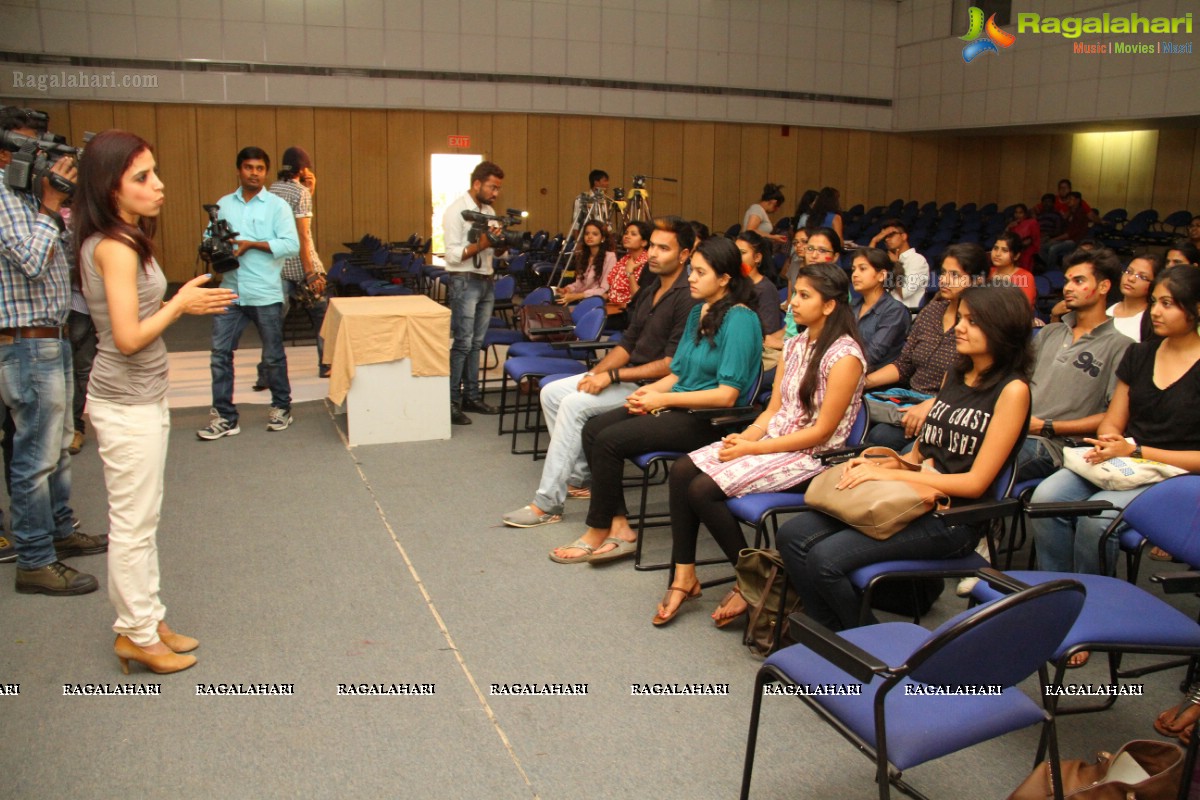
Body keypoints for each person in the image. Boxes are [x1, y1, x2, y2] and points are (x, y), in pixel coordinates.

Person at [777, 285, 1033, 631]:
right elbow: (919, 452)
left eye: (972, 321)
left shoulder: (1012, 391)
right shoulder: (956, 373)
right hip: (910, 497)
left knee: (826, 559)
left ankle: (867, 646)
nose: (958, 327)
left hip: (952, 517)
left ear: (1002, 329)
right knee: (792, 535)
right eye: (960, 318)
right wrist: (879, 464)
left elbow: (975, 484)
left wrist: (891, 477)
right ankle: (828, 633)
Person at [75, 130, 236, 673]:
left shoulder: (118, 239)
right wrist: (180, 304)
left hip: (137, 396)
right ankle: (138, 634)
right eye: (142, 176)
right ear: (109, 186)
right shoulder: (115, 245)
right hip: (125, 401)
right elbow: (126, 337)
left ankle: (146, 619)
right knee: (133, 526)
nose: (158, 185)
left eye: (155, 172)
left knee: (142, 521)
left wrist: (175, 303)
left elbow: (133, 322)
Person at [653, 263, 867, 626]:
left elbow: (820, 433)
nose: (791, 304)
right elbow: (774, 409)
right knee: (683, 470)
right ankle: (684, 574)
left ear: (830, 305)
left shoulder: (845, 357)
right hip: (774, 442)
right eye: (793, 294)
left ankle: (750, 580)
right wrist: (747, 436)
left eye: (803, 296)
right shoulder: (796, 343)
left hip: (813, 457)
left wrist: (752, 449)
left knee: (703, 489)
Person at [548, 236, 762, 564]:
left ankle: (596, 529)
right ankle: (619, 525)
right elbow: (679, 372)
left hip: (709, 418)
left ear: (724, 279)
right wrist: (649, 392)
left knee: (608, 440)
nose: (690, 277)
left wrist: (663, 400)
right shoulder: (699, 311)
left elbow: (727, 394)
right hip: (680, 405)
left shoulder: (741, 319)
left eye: (700, 272)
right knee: (593, 428)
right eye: (692, 270)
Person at [501, 216, 697, 528]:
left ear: (684, 255)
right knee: (552, 393)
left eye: (664, 248)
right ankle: (580, 478)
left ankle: (547, 503)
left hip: (655, 389)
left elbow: (672, 364)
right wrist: (598, 373)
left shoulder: (689, 298)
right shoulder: (650, 290)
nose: (655, 254)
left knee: (573, 405)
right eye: (654, 247)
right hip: (629, 376)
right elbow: (627, 345)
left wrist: (612, 377)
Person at [1030, 266, 1200, 578]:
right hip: (1124, 458)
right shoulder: (1140, 353)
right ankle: (1054, 588)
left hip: (1173, 474)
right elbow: (1112, 421)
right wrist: (1110, 441)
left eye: (1168, 304)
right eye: (1155, 302)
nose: (1157, 312)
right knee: (1045, 498)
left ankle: (1092, 598)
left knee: (1095, 518)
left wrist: (1134, 451)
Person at [1, 105, 107, 595]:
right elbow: (28, 260)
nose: (44, 157)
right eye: (31, 146)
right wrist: (49, 208)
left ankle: (60, 533)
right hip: (24, 344)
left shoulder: (28, 198)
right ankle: (35, 560)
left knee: (59, 449)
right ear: (5, 152)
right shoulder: (6, 199)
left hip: (52, 335)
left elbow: (60, 264)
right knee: (34, 457)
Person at [196, 146, 299, 440]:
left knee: (273, 356)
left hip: (265, 291)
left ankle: (282, 407)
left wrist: (252, 244)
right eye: (248, 168)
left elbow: (291, 245)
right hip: (230, 291)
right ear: (239, 170)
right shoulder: (224, 204)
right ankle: (225, 417)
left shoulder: (276, 206)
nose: (254, 173)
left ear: (265, 172)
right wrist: (211, 246)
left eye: (259, 168)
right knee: (219, 355)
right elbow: (209, 236)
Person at [863, 243, 990, 451]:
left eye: (955, 275)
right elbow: (904, 365)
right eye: (943, 273)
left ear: (978, 280)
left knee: (881, 436)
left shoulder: (983, 324)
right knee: (857, 415)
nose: (944, 280)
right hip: (909, 399)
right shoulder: (932, 311)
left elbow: (979, 383)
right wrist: (863, 382)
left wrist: (935, 405)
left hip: (952, 407)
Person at [1020, 247, 1132, 482]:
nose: (1068, 287)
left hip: (1058, 447)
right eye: (1067, 280)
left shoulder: (1122, 346)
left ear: (1103, 287)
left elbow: (1113, 417)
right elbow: (1018, 382)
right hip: (1017, 433)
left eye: (1078, 280)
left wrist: (1048, 426)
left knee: (980, 460)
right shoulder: (1050, 332)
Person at [443, 160, 505, 426]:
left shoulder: (489, 211)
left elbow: (494, 251)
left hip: (486, 280)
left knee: (477, 343)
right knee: (463, 343)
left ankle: (471, 396)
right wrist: (481, 244)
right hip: (464, 281)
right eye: (492, 187)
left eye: (498, 188)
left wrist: (499, 244)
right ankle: (451, 402)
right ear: (477, 183)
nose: (495, 193)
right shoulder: (456, 211)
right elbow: (453, 255)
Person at [264, 146, 328, 381]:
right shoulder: (300, 193)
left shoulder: (272, 190)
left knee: (274, 320)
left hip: (278, 266)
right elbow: (302, 234)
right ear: (302, 168)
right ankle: (326, 364)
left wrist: (309, 191)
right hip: (301, 267)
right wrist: (311, 272)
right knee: (321, 314)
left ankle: (266, 373)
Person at [849, 247, 911, 372]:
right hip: (848, 370)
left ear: (882, 275)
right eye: (853, 269)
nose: (855, 274)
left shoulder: (894, 310)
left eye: (862, 268)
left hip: (877, 382)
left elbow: (874, 354)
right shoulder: (853, 305)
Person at [783, 227, 841, 340]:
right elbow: (788, 329)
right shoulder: (802, 283)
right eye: (810, 248)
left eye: (822, 250)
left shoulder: (836, 289)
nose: (814, 255)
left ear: (835, 257)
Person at [735, 230, 784, 356]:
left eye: (742, 253)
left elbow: (769, 333)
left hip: (752, 351)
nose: (736, 258)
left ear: (757, 257)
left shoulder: (766, 289)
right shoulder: (731, 283)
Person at [869, 219, 929, 309]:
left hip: (906, 312)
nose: (887, 239)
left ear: (904, 236)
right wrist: (874, 240)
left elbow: (904, 293)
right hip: (886, 310)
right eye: (884, 237)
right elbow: (867, 266)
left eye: (891, 235)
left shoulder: (917, 260)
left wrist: (896, 265)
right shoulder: (890, 260)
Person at [556, 220, 615, 305]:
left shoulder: (610, 257)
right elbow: (579, 284)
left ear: (603, 238)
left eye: (595, 234)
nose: (590, 236)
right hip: (581, 299)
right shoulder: (584, 255)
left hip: (597, 302)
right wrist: (567, 289)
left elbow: (604, 289)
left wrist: (576, 296)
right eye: (587, 234)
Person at [1108, 253, 1162, 342]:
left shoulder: (1150, 321)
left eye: (1142, 277)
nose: (1131, 278)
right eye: (1129, 272)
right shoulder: (1106, 307)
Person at [605, 220, 651, 319]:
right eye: (626, 233)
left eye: (633, 234)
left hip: (633, 313)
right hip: (615, 308)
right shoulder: (624, 259)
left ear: (643, 242)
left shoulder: (648, 264)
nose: (627, 236)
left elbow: (639, 298)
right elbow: (612, 289)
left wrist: (630, 272)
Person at [1041, 191, 1090, 271]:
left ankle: (1050, 271)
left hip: (1075, 241)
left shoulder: (1080, 213)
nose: (1068, 201)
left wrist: (1055, 239)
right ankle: (1055, 268)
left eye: (1071, 199)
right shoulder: (1070, 213)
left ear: (1077, 200)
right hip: (1065, 239)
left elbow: (1070, 234)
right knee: (1042, 247)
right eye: (1067, 199)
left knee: (1053, 249)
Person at [988, 231, 1036, 306]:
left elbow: (1023, 309)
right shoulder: (988, 272)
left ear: (1016, 256)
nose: (997, 254)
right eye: (995, 248)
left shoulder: (1025, 277)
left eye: (1005, 250)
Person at [1005, 203, 1041, 273]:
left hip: (1029, 248)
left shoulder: (1032, 222)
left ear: (1025, 214)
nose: (1018, 215)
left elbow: (1034, 239)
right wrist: (1008, 227)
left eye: (1020, 212)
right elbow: (1006, 238)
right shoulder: (1013, 225)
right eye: (1016, 212)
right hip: (1015, 248)